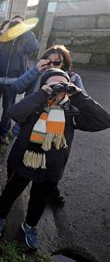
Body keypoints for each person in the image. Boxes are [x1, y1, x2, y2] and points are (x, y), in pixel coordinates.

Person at [0, 69, 110, 250]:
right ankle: (0, 217)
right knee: (10, 192)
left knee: (39, 200)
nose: (59, 89)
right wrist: (42, 93)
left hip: (52, 167)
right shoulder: (35, 105)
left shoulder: (71, 113)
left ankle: (29, 226)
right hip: (24, 161)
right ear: (45, 86)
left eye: (63, 85)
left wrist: (78, 95)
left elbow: (104, 120)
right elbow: (14, 113)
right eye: (53, 84)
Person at [9, 45, 85, 206]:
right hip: (27, 130)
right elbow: (16, 88)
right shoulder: (37, 73)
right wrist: (36, 70)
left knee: (50, 169)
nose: (51, 65)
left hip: (55, 134)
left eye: (56, 62)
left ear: (64, 63)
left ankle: (50, 191)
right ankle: (7, 202)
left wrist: (69, 91)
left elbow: (81, 107)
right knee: (17, 171)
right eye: (48, 61)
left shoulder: (72, 78)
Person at [0, 16, 40, 145]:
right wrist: (2, 31)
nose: (15, 25)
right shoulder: (2, 37)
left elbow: (35, 47)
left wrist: (25, 29)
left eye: (19, 23)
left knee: (8, 110)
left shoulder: (24, 40)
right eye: (13, 22)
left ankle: (3, 134)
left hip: (13, 82)